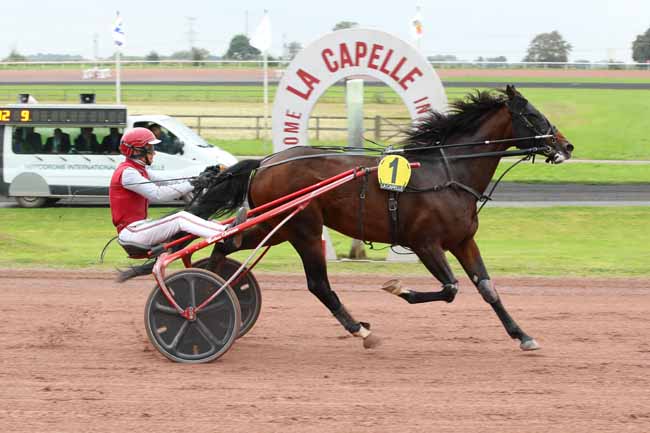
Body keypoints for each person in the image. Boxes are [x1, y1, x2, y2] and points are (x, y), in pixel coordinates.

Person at [109, 127, 244, 249]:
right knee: (181, 218)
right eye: (150, 149)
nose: (154, 153)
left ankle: (225, 229)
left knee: (195, 217)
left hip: (139, 229)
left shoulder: (138, 170)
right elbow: (158, 195)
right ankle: (225, 234)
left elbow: (169, 179)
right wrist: (194, 183)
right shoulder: (128, 173)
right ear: (137, 151)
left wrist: (200, 175)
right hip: (132, 232)